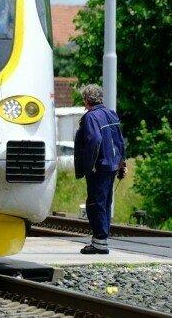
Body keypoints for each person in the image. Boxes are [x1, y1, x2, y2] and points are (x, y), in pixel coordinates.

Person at [73, 84, 126, 255]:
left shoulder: (90, 117)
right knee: (105, 202)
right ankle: (101, 241)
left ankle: (99, 242)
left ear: (86, 100)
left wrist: (89, 165)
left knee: (95, 203)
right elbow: (119, 140)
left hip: (99, 166)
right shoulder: (111, 114)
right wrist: (121, 163)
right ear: (100, 98)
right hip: (111, 165)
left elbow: (95, 139)